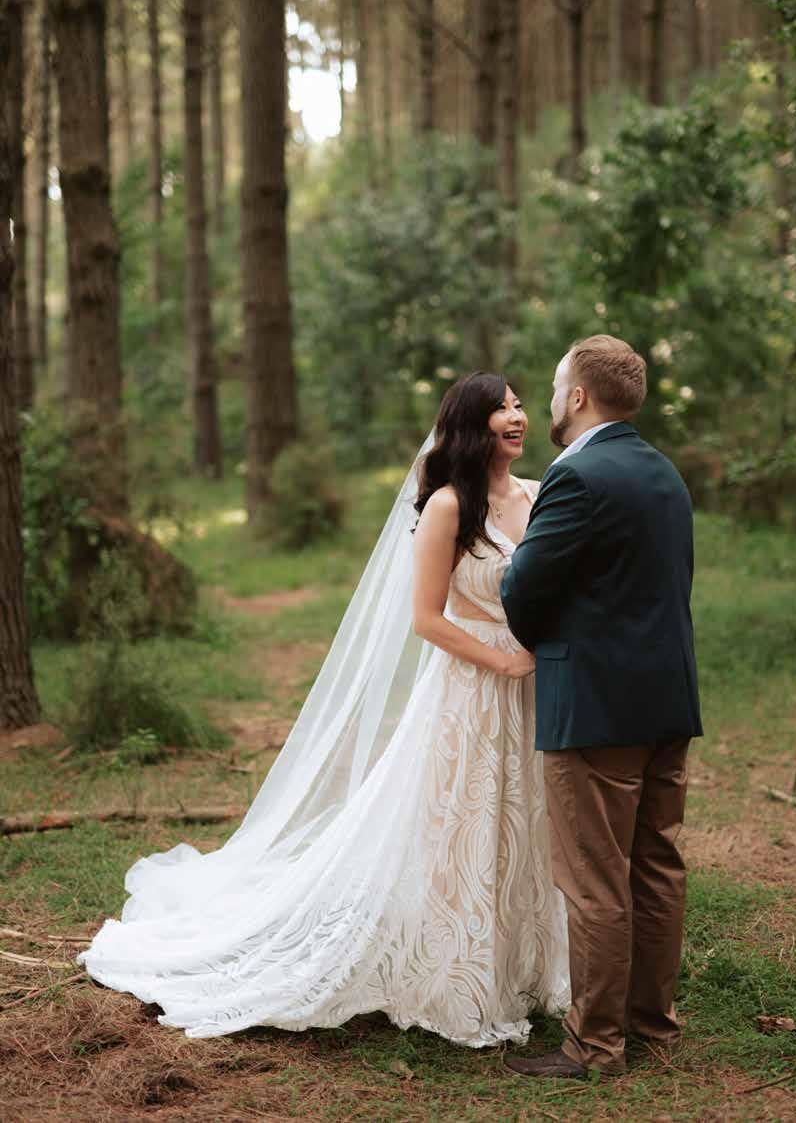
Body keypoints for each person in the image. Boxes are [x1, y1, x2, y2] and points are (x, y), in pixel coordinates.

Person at [79, 372, 569, 1046]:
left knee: (529, 817)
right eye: (499, 409)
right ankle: (464, 974)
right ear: (468, 424)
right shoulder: (448, 506)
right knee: (471, 822)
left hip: (536, 684)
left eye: (518, 405)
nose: (516, 416)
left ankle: (528, 968)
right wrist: (501, 660)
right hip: (472, 687)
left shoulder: (539, 495)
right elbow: (427, 618)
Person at [500, 334, 703, 1080]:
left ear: (578, 396)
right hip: (667, 700)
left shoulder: (576, 474)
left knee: (594, 878)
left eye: (556, 389)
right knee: (656, 866)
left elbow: (523, 587)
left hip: (593, 704)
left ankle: (594, 1045)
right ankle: (651, 1025)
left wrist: (538, 630)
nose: (550, 402)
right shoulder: (663, 471)